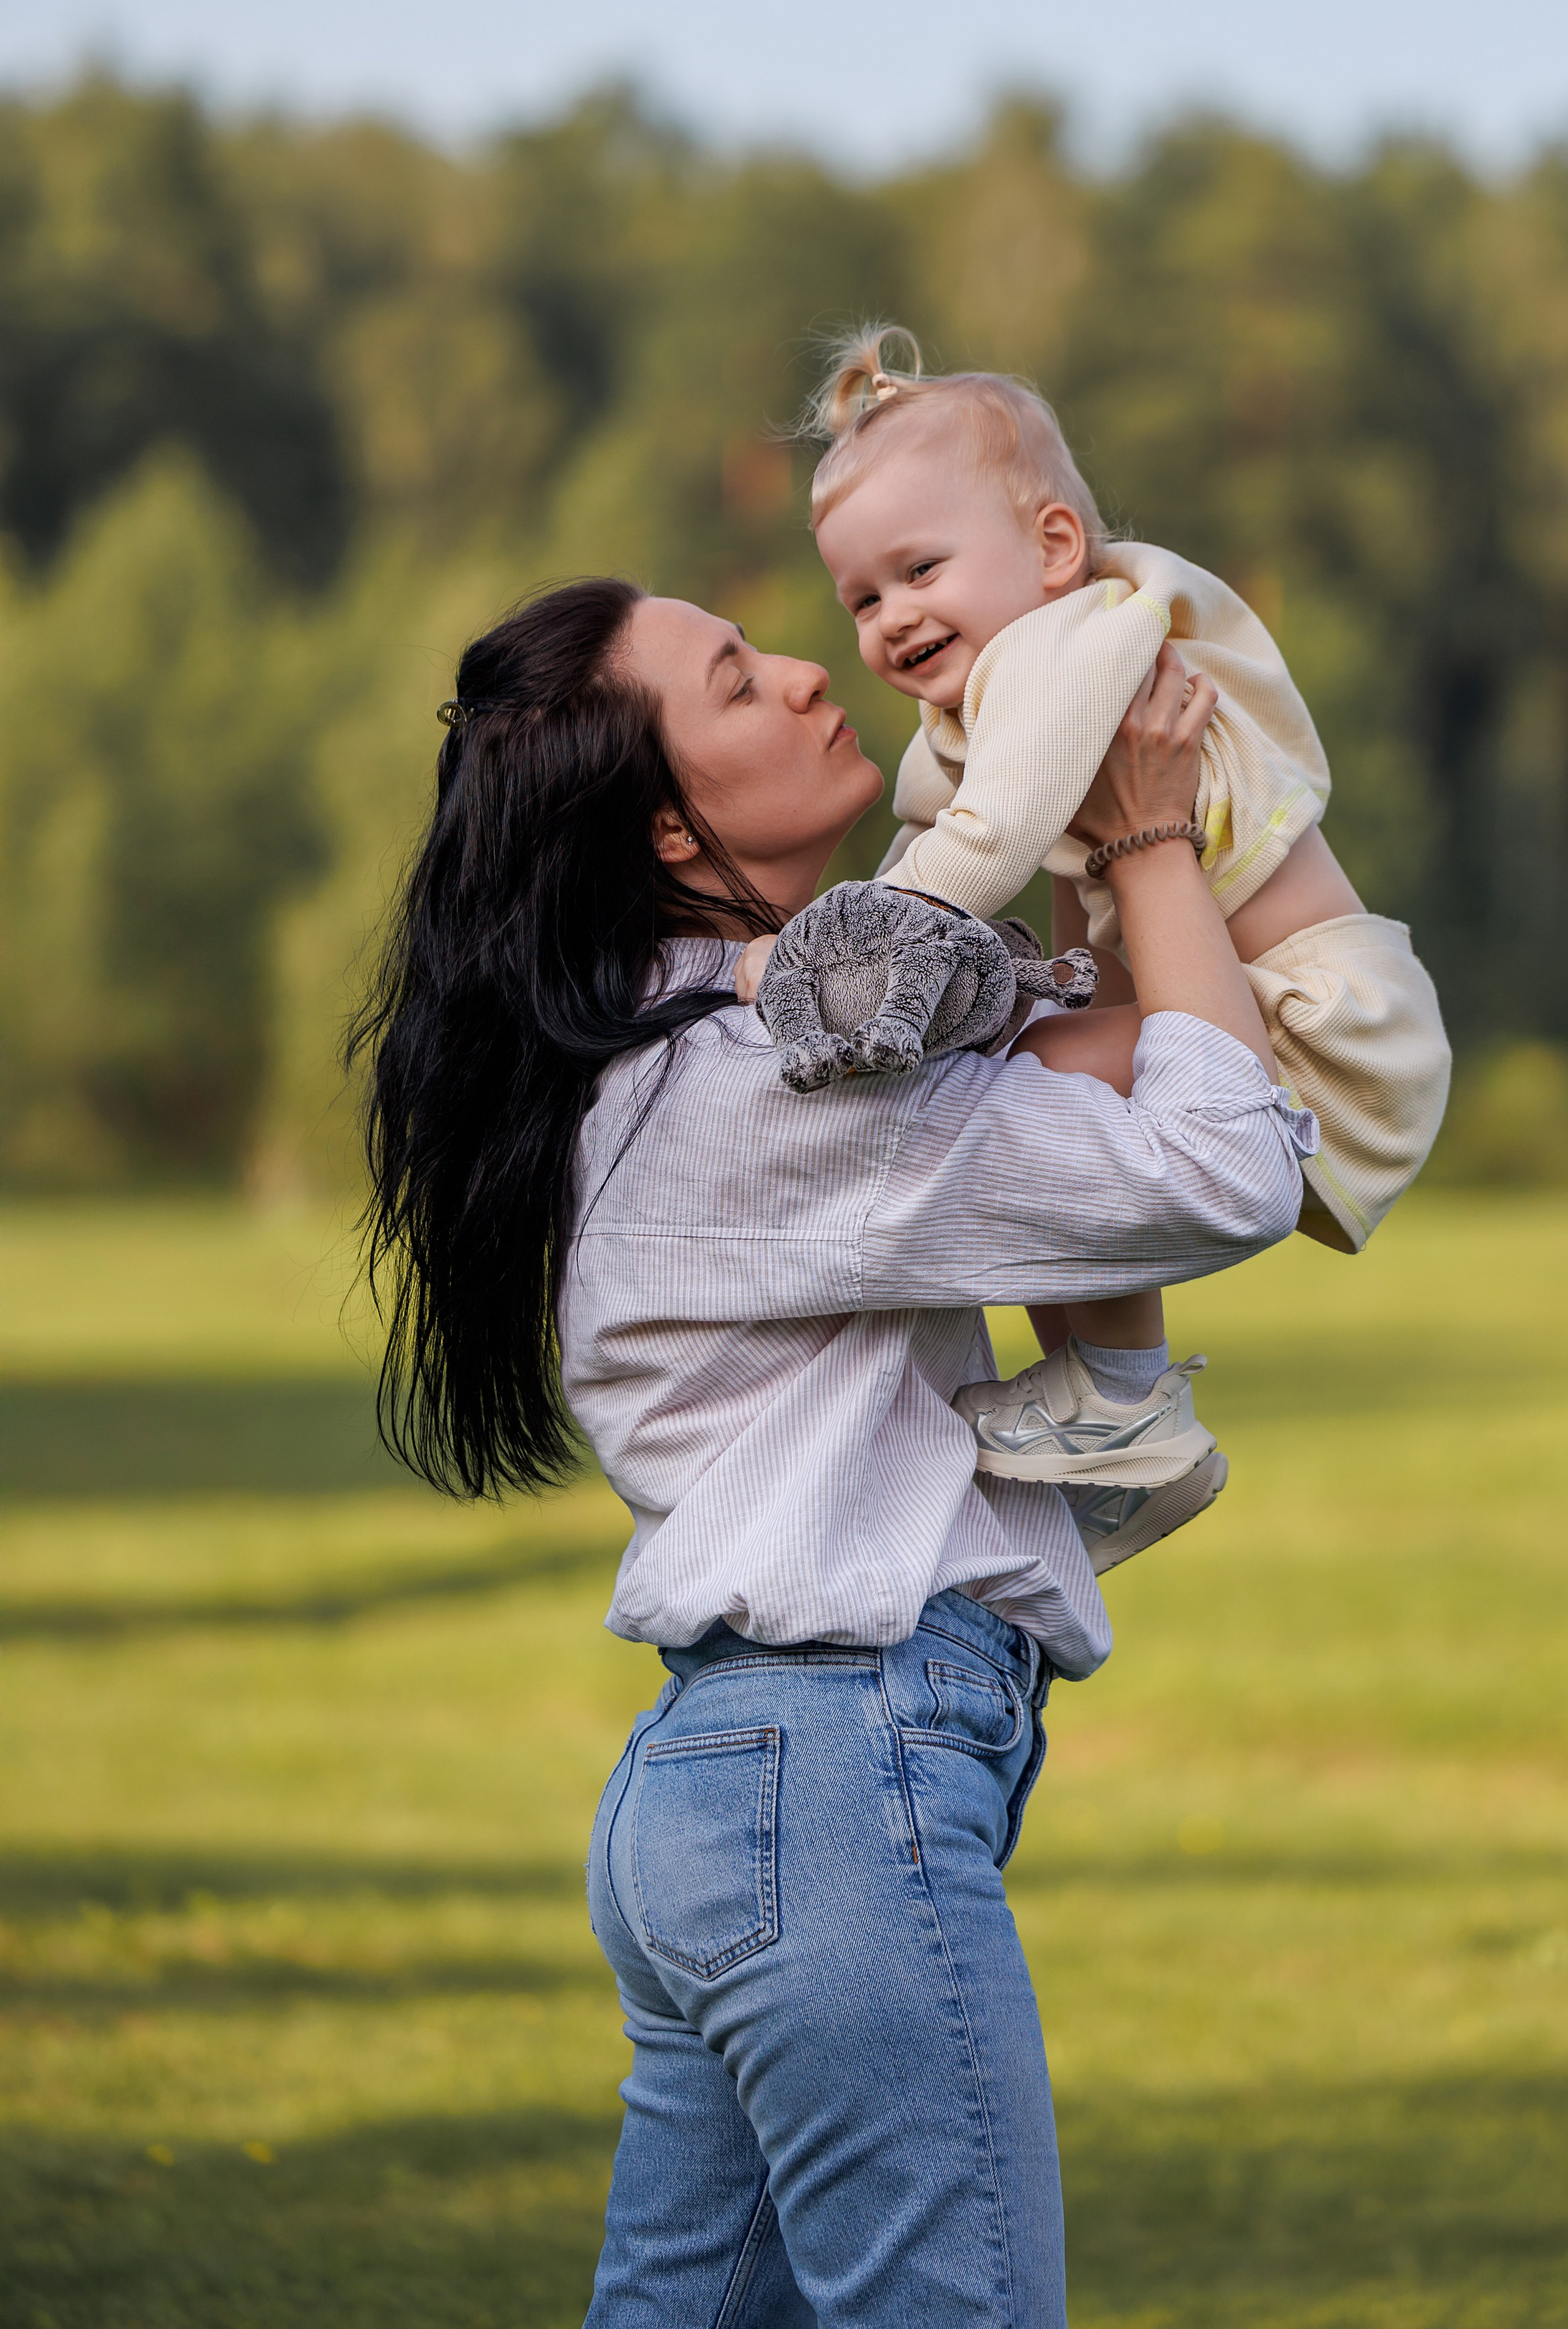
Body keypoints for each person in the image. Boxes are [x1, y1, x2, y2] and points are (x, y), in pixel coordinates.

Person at [351, 573, 1310, 2328]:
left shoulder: (667, 1057)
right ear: (665, 822)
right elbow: (1221, 1176)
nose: (801, 669)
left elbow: (1067, 1061)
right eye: (733, 679)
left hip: (734, 1797)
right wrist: (1155, 837)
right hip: (833, 1782)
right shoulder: (763, 1089)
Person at [791, 326, 1450, 1497]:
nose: (891, 617)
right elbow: (926, 847)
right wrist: (860, 952)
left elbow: (985, 841)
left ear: (1053, 546)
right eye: (862, 596)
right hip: (1265, 1015)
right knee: (1007, 1078)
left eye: (921, 570)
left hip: (1321, 1022)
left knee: (1017, 1080)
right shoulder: (993, 686)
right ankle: (1106, 1408)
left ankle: (1124, 1397)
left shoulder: (1075, 641)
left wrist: (834, 970)